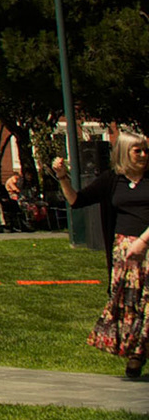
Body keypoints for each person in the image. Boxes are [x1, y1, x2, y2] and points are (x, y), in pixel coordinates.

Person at [55, 133, 149, 380]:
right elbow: (77, 200)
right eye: (137, 150)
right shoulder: (111, 180)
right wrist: (63, 177)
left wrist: (143, 241)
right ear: (124, 152)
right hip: (124, 252)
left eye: (145, 150)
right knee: (130, 304)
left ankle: (138, 354)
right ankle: (135, 352)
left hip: (146, 244)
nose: (143, 155)